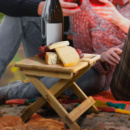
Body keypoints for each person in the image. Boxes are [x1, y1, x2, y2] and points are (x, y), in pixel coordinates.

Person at [0, 0, 130, 104]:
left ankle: (8, 92)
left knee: (56, 83)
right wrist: (99, 57)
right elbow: (81, 51)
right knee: (18, 17)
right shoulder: (88, 4)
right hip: (85, 63)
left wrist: (121, 21)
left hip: (106, 77)